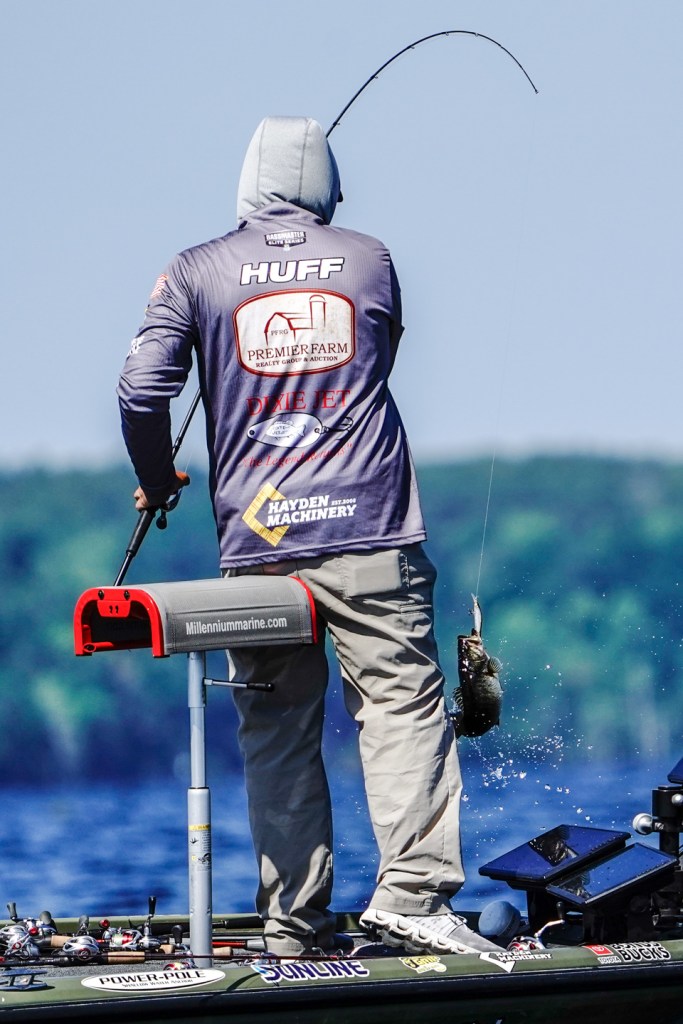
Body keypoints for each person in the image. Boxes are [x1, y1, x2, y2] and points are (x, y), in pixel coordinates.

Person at [117, 116, 499, 958]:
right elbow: (374, 357)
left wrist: (156, 477)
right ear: (326, 185)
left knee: (276, 729)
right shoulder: (369, 258)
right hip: (370, 529)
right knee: (399, 707)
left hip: (258, 543)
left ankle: (292, 926)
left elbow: (142, 389)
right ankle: (412, 896)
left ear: (247, 183)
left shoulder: (194, 269)